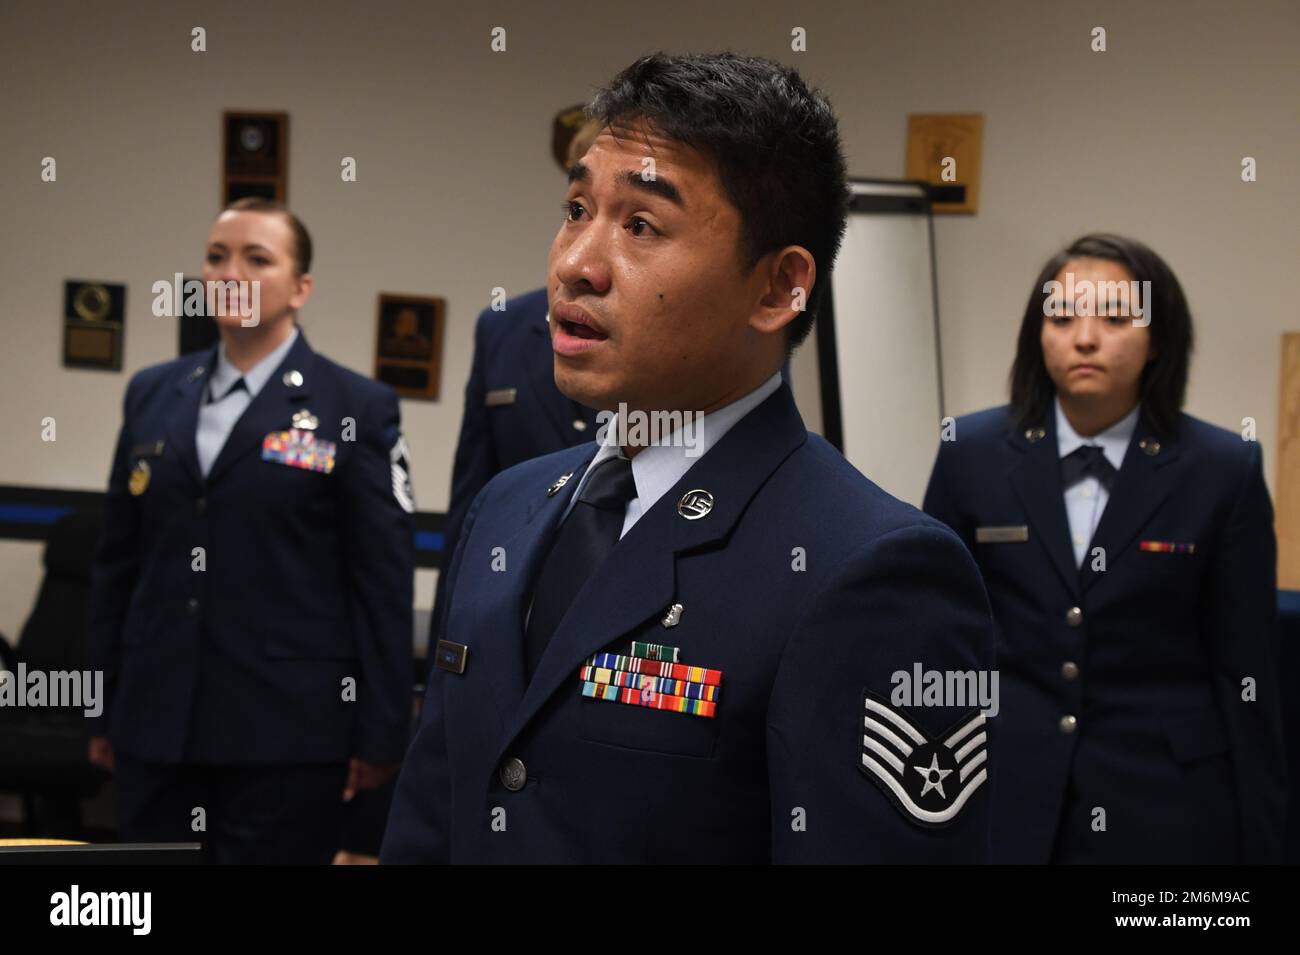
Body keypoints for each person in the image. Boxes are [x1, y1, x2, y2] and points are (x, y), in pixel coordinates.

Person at [381, 52, 995, 864]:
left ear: (777, 289)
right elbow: (432, 819)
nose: (574, 264)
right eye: (575, 208)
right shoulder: (507, 507)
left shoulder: (871, 570)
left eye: (640, 225)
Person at [923, 234, 1285, 863]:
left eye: (1115, 318)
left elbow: (1245, 668)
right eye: (1061, 318)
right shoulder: (970, 452)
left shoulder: (1224, 468)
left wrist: (1268, 840)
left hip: (1164, 799)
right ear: (1038, 334)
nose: (1084, 339)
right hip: (1003, 787)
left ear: (1159, 339)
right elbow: (938, 632)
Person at [87, 198, 415, 864]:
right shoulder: (153, 393)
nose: (230, 271)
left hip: (287, 735)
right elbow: (117, 561)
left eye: (256, 258)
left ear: (301, 289)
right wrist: (101, 701)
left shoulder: (354, 406)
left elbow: (381, 578)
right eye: (216, 256)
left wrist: (382, 732)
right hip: (157, 721)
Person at [426, 121, 604, 660]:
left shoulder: (697, 338)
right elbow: (469, 508)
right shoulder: (502, 326)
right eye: (577, 208)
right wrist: (444, 657)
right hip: (511, 613)